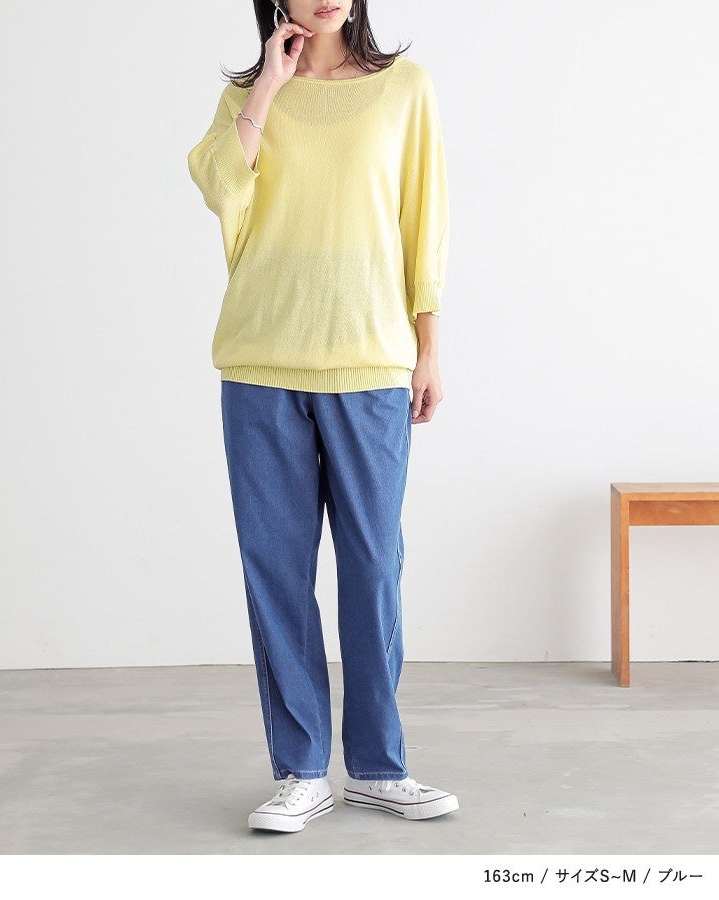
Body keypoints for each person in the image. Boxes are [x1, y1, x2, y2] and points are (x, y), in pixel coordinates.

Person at [187, 0, 457, 833]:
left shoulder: (404, 88)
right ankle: (300, 770)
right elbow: (217, 185)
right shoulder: (245, 98)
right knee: (277, 572)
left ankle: (379, 767)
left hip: (371, 363)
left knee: (374, 569)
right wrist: (269, 87)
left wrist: (429, 347)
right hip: (261, 361)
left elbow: (424, 222)